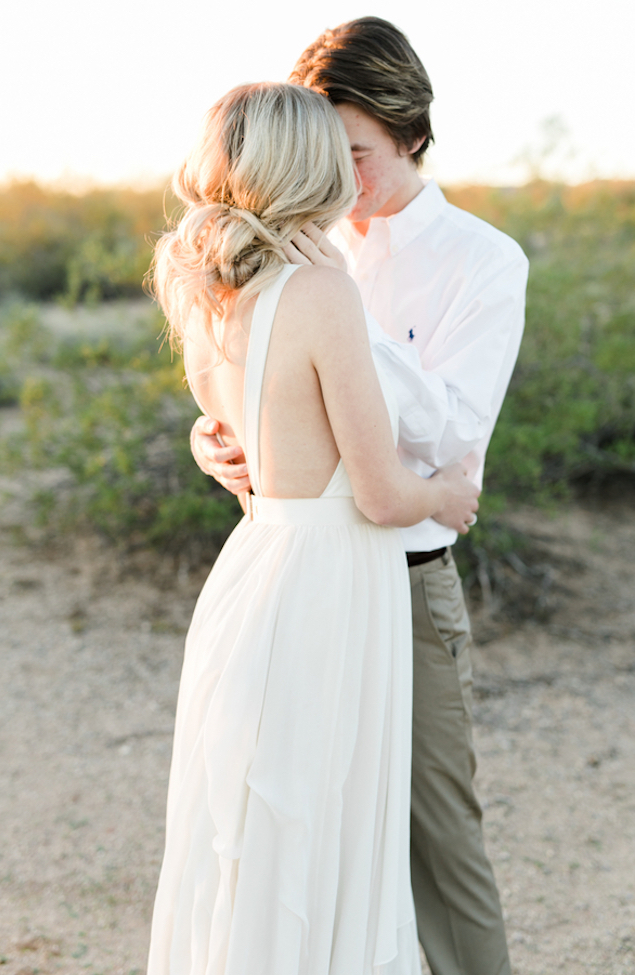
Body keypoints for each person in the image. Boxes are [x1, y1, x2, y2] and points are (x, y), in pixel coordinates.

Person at [191, 18, 529, 975]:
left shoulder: (481, 260)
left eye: (358, 154)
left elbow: (454, 442)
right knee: (299, 831)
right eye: (325, 155)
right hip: (300, 580)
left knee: (436, 839)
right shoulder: (300, 242)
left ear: (411, 133)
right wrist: (216, 436)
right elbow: (241, 380)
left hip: (408, 579)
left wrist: (334, 365)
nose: (343, 180)